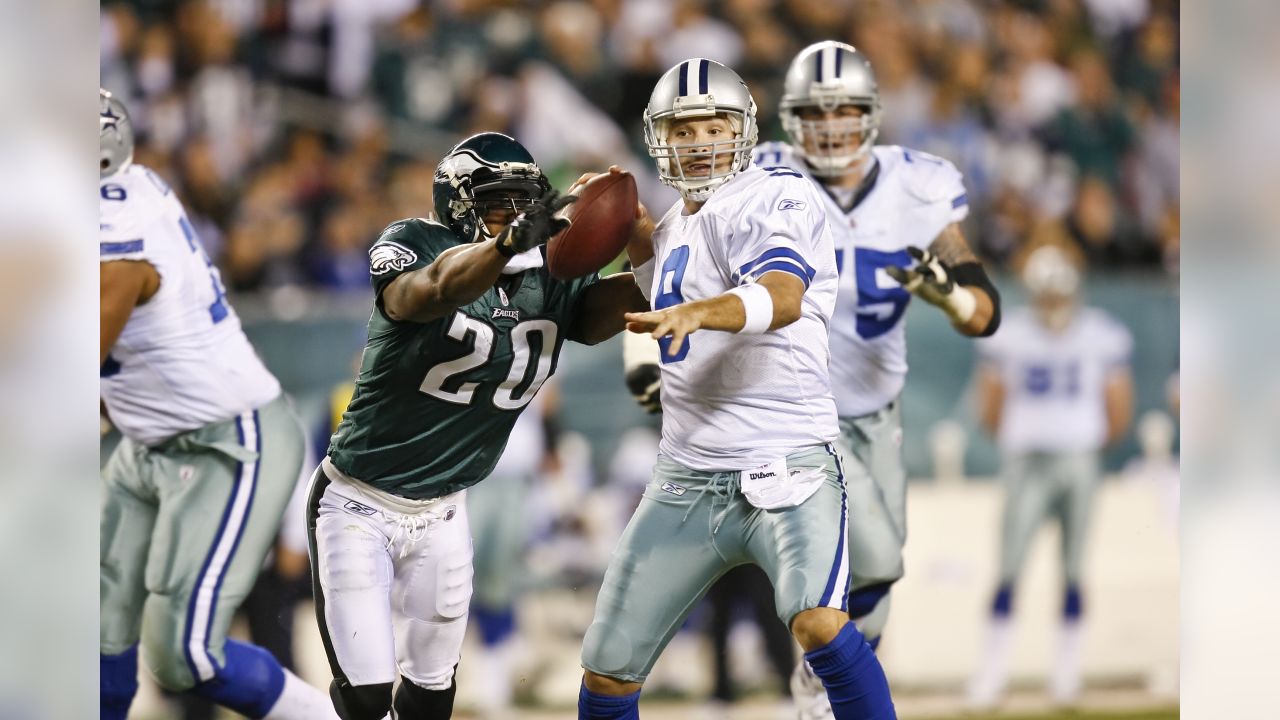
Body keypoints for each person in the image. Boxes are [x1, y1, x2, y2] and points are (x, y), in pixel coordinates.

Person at [578, 58, 896, 720]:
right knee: (608, 669)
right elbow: (589, 323)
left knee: (817, 623)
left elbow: (781, 295)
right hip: (686, 477)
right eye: (682, 129)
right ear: (658, 139)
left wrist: (702, 312)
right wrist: (595, 239)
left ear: (743, 130)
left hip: (785, 466)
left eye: (713, 125)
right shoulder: (671, 227)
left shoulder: (775, 193)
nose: (698, 141)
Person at [307, 131, 648, 720]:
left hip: (443, 508)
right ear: (460, 207)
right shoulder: (412, 244)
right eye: (500, 204)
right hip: (358, 502)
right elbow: (433, 288)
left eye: (527, 204)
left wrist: (662, 246)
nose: (517, 217)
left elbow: (619, 308)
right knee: (364, 700)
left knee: (432, 699)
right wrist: (506, 245)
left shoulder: (555, 277)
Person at [749, 41, 1003, 718]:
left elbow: (985, 313)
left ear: (872, 114)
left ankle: (820, 678)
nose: (831, 125)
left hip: (877, 408)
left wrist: (952, 298)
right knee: (876, 553)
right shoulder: (762, 175)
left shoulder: (919, 183)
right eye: (815, 111)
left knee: (882, 573)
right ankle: (823, 681)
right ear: (790, 118)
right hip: (797, 406)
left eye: (845, 109)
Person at [98, 89, 336, 720]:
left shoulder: (115, 234)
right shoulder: (128, 186)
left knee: (187, 655)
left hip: (225, 440)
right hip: (150, 437)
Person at [967, 242, 1134, 708]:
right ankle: (992, 673)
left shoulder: (1101, 333)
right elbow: (991, 406)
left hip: (1079, 458)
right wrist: (1028, 437)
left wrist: (1083, 440)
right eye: (1047, 293)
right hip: (1029, 460)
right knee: (1008, 569)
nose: (1054, 302)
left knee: (1076, 570)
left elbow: (1119, 408)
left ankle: (1066, 674)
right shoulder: (1012, 334)